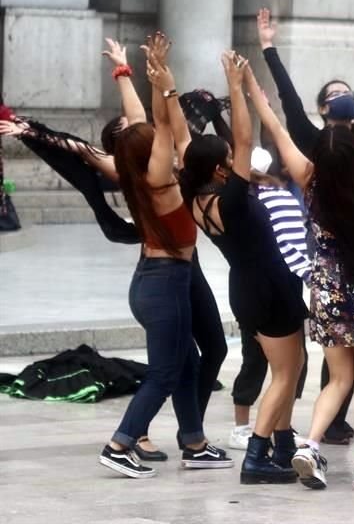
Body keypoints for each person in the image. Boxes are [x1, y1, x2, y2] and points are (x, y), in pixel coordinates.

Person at [256, 44, 354, 491]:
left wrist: (251, 89)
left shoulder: (310, 179)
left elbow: (276, 127)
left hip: (325, 287)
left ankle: (310, 443)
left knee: (337, 378)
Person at [98, 33, 231, 479]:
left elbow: (141, 122)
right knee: (165, 371)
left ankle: (193, 442)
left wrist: (126, 71)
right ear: (149, 150)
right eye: (154, 139)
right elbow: (159, 120)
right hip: (165, 281)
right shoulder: (159, 178)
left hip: (155, 278)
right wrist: (163, 84)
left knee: (189, 362)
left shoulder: (138, 171)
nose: (160, 137)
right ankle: (120, 444)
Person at [179, 52, 307, 484]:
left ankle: (285, 441)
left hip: (249, 287)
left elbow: (187, 143)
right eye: (231, 157)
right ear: (220, 168)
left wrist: (166, 89)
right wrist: (234, 85)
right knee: (286, 373)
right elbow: (245, 139)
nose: (239, 157)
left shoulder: (196, 200)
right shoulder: (231, 201)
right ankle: (257, 454)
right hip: (269, 286)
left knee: (292, 364)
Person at [225, 145, 311, 452]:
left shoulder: (233, 204)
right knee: (289, 368)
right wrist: (311, 276)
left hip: (248, 289)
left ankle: (271, 429)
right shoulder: (278, 198)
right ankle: (266, 440)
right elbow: (293, 246)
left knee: (259, 362)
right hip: (278, 289)